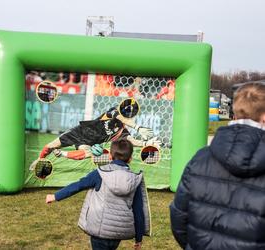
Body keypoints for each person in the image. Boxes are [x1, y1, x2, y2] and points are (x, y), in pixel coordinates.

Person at [170, 82, 265, 250]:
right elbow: (180, 216)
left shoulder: (200, 159)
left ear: (235, 112)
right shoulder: (201, 159)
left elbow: (179, 217)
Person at [46, 139, 151, 250]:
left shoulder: (100, 173)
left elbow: (78, 185)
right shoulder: (135, 179)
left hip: (99, 231)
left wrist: (55, 196)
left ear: (110, 156)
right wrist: (139, 238)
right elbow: (138, 210)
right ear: (130, 159)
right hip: (118, 233)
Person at [39, 100, 160, 161]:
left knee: (90, 153)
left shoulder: (122, 131)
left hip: (88, 143)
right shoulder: (113, 112)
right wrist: (138, 127)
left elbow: (131, 140)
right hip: (80, 131)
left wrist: (146, 144)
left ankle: (61, 154)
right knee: (51, 145)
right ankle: (39, 161)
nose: (126, 114)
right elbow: (121, 118)